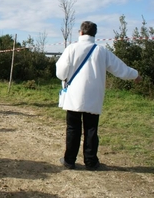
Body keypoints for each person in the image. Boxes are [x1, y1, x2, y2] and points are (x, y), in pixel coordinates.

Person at [56, 21, 142, 171]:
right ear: (94, 34)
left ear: (80, 32)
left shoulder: (71, 48)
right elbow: (120, 68)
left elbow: (61, 72)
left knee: (72, 128)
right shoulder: (102, 51)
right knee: (91, 129)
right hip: (93, 96)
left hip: (74, 95)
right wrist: (135, 75)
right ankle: (91, 162)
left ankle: (69, 160)